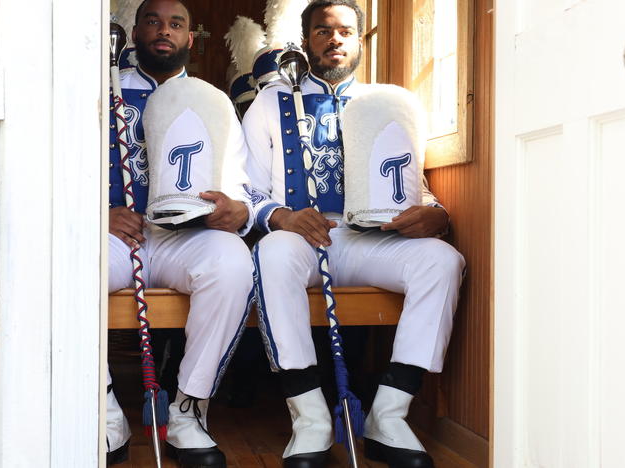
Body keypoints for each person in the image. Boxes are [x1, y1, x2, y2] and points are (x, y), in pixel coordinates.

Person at [241, 1, 465, 466]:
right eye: (323, 31)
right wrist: (282, 216)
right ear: (306, 41)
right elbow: (245, 188)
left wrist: (436, 215)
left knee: (442, 260)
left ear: (359, 42)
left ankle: (390, 414)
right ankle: (310, 418)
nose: (335, 39)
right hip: (300, 237)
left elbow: (415, 187)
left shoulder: (386, 102)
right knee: (273, 255)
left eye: (346, 31)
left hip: (371, 239)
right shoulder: (269, 101)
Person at [107, 0, 255, 466]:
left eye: (176, 24)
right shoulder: (102, 90)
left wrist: (236, 210)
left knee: (232, 263)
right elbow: (61, 166)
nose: (163, 31)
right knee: (66, 260)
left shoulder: (213, 101)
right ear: (135, 31)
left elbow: (239, 182)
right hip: (114, 235)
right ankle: (102, 408)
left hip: (183, 238)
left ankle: (190, 410)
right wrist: (95, 213)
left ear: (190, 38)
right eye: (153, 21)